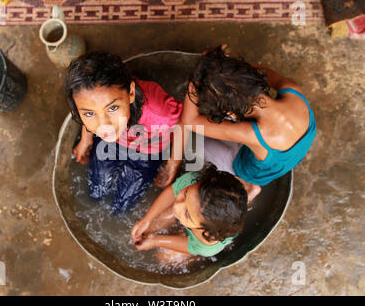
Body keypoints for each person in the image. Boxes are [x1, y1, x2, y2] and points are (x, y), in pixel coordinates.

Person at [181, 45, 316, 198]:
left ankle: (248, 186)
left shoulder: (252, 133)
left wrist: (196, 77)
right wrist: (222, 66)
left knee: (197, 143)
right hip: (292, 153)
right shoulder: (292, 89)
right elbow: (256, 70)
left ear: (230, 113)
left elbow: (190, 120)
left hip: (251, 171)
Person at [64, 51, 184, 213]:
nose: (104, 124)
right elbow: (86, 116)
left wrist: (173, 162)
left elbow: (184, 124)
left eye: (112, 108)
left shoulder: (160, 112)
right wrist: (86, 138)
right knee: (96, 191)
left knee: (122, 205)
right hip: (113, 142)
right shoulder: (104, 126)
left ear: (131, 93)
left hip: (148, 150)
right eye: (90, 113)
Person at [131, 165, 248, 265]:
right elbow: (172, 191)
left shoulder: (207, 242)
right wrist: (146, 219)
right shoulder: (194, 181)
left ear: (205, 230)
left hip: (205, 241)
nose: (177, 206)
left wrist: (155, 241)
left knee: (163, 257)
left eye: (187, 213)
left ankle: (197, 254)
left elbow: (190, 245)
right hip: (203, 222)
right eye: (185, 194)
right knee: (152, 226)